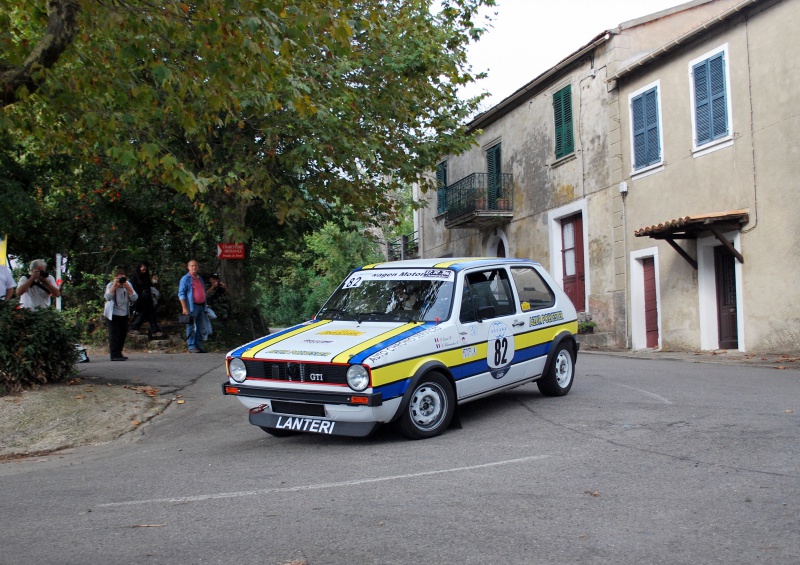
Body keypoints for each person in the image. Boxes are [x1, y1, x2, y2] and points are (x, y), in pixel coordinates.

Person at [103, 267, 138, 361]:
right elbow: (107, 297)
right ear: (115, 278)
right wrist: (114, 285)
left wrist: (127, 286)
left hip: (124, 313)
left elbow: (134, 298)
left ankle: (119, 353)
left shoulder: (127, 285)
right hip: (112, 313)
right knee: (114, 333)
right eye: (119, 278)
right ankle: (114, 355)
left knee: (122, 334)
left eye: (123, 278)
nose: (121, 280)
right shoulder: (110, 285)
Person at [178, 259, 209, 353]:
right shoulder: (185, 279)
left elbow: (203, 291)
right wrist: (184, 307)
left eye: (195, 265)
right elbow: (181, 294)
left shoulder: (200, 278)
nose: (194, 267)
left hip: (201, 306)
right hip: (191, 306)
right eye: (192, 266)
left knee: (201, 326)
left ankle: (198, 345)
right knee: (191, 327)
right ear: (188, 267)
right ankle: (191, 346)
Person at [129, 261, 162, 336]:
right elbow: (132, 288)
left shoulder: (146, 276)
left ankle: (155, 330)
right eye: (143, 267)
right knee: (143, 313)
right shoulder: (135, 276)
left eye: (145, 267)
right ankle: (135, 327)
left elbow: (149, 285)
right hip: (139, 298)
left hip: (148, 298)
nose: (144, 269)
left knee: (151, 313)